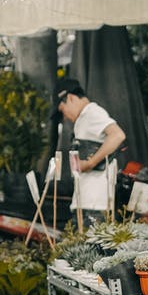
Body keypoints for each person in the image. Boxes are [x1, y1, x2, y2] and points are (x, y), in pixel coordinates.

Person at [54, 78, 126, 223]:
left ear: (70, 98)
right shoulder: (84, 118)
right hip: (86, 202)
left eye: (63, 111)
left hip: (94, 204)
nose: (65, 117)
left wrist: (91, 163)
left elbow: (118, 135)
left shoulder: (92, 112)